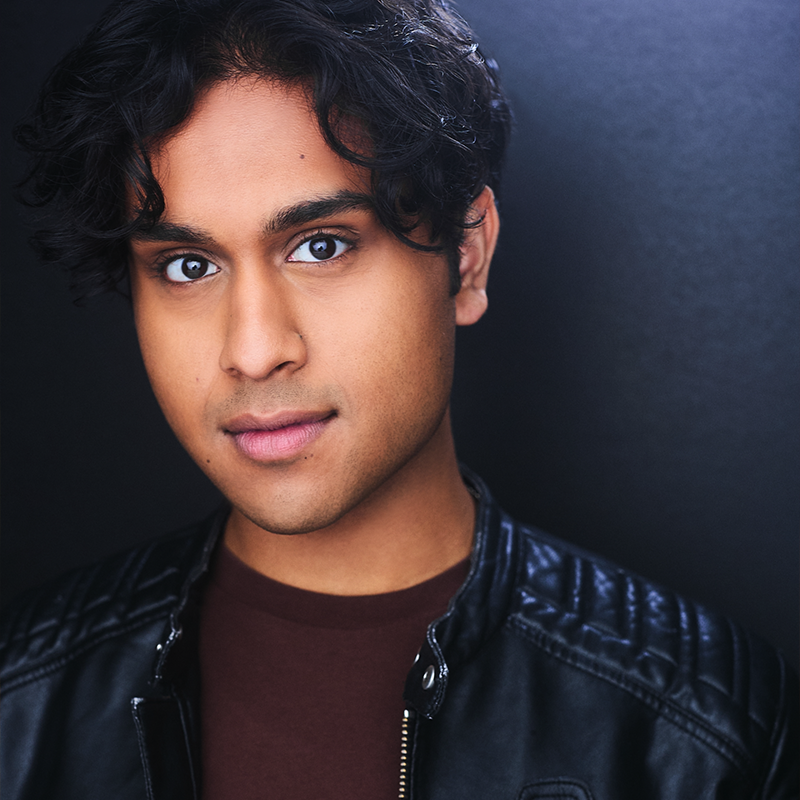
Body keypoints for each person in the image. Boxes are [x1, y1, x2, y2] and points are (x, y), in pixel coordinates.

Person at [1, 0, 796, 798]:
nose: (252, 350)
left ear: (468, 255)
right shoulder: (20, 700)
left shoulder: (705, 727)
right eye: (187, 265)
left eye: (322, 246)